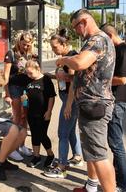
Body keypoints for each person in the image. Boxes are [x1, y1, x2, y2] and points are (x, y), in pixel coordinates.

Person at [56, 9, 116, 192]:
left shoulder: (97, 40)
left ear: (84, 21)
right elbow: (83, 74)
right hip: (90, 103)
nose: (76, 31)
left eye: (76, 27)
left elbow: (80, 63)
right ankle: (91, 186)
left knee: (98, 155)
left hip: (94, 104)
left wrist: (64, 60)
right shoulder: (97, 40)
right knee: (90, 150)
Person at [44, 34, 83, 179]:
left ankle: (61, 167)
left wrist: (68, 105)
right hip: (68, 99)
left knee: (62, 133)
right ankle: (77, 157)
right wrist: (49, 76)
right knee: (71, 130)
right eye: (52, 47)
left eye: (55, 46)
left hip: (70, 100)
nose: (53, 49)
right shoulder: (65, 58)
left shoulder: (71, 58)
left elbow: (73, 80)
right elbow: (64, 78)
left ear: (64, 44)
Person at [102, 25, 126, 192]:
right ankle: (117, 178)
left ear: (109, 35)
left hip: (117, 101)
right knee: (115, 142)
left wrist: (102, 79)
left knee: (115, 143)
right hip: (117, 101)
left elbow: (122, 79)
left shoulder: (123, 49)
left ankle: (123, 185)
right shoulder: (120, 49)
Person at [4, 31, 36, 161]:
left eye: (28, 44)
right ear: (19, 42)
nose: (26, 47)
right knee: (17, 117)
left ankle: (21, 145)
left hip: (25, 91)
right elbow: (5, 76)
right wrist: (7, 94)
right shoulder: (11, 54)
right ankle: (12, 148)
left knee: (24, 117)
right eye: (24, 44)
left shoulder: (30, 54)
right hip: (15, 89)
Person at [22, 60, 56, 168]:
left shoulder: (46, 80)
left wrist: (49, 111)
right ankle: (36, 157)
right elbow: (25, 94)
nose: (29, 75)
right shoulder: (28, 80)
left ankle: (50, 155)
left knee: (42, 134)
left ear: (38, 69)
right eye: (27, 73)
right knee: (34, 134)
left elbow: (51, 96)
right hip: (31, 112)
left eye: (31, 73)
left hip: (43, 113)